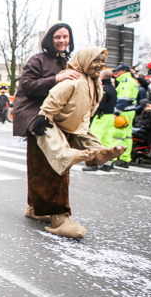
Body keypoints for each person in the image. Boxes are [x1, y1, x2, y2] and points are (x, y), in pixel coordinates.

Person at [33, 48, 125, 239]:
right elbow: (54, 98)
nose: (99, 65)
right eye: (95, 61)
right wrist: (44, 115)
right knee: (55, 144)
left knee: (89, 137)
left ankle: (99, 153)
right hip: (55, 122)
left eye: (102, 61)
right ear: (84, 61)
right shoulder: (73, 80)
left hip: (76, 124)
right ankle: (71, 156)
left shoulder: (95, 83)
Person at [12, 21, 78, 227]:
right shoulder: (37, 60)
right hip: (37, 118)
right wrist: (56, 78)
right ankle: (57, 213)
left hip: (60, 119)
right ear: (49, 39)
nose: (61, 40)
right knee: (46, 165)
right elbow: (27, 87)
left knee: (51, 164)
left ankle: (34, 207)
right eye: (57, 37)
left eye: (65, 37)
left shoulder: (71, 61)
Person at [84, 68, 118, 172]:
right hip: (109, 117)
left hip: (101, 117)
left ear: (102, 77)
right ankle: (108, 164)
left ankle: (93, 163)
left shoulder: (103, 89)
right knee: (108, 140)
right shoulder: (113, 89)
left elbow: (100, 104)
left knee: (94, 139)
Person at [111, 64, 138, 168]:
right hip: (130, 112)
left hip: (124, 112)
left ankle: (111, 158)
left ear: (123, 71)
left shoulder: (125, 82)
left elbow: (123, 99)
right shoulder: (131, 81)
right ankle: (125, 159)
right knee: (127, 136)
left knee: (118, 135)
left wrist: (116, 113)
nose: (116, 73)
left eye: (118, 71)